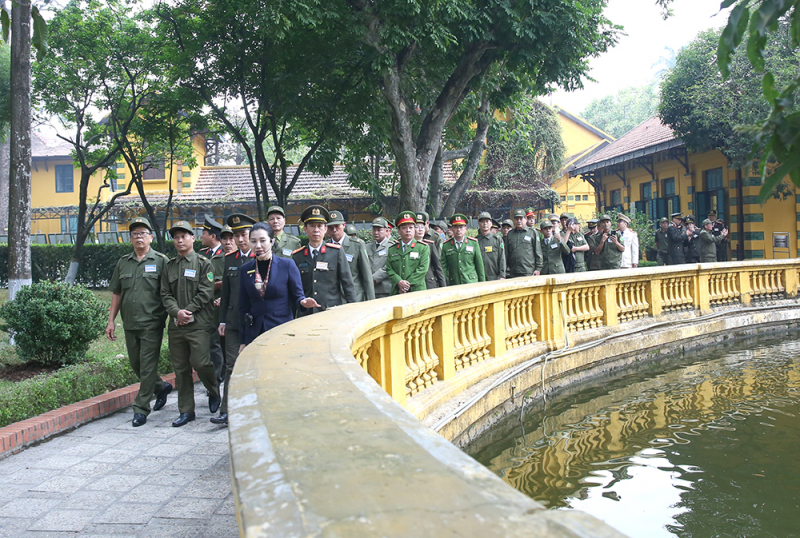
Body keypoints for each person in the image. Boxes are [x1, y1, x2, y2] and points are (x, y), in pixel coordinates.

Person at [208, 223, 319, 426]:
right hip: (254, 331)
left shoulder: (286, 265)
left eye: (262, 240)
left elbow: (297, 295)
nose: (257, 245)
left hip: (280, 329)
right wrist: (243, 340)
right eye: (254, 241)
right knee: (255, 374)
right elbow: (243, 307)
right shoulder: (245, 269)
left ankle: (283, 412)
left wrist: (303, 302)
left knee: (279, 372)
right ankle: (256, 414)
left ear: (272, 241)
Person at [106, 217, 172, 427]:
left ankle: (141, 408)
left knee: (147, 366)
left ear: (151, 237)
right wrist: (111, 321)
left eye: (143, 233)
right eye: (134, 234)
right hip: (130, 323)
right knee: (136, 363)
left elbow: (169, 292)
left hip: (152, 322)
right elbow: (117, 293)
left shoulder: (161, 261)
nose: (139, 237)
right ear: (130, 239)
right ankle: (161, 387)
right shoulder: (123, 262)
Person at [160, 220, 220, 427]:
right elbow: (165, 293)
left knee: (201, 363)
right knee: (181, 369)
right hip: (177, 325)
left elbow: (206, 292)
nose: (179, 240)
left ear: (192, 238)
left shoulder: (204, 264)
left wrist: (189, 311)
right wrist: (177, 312)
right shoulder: (169, 266)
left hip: (199, 324)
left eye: (183, 236)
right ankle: (186, 410)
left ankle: (213, 391)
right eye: (176, 237)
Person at [215, 213, 256, 424]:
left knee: (255, 364)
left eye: (244, 234)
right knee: (231, 365)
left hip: (255, 321)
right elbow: (226, 293)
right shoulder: (230, 259)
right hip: (232, 321)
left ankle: (252, 406)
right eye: (237, 235)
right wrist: (222, 320)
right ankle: (226, 409)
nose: (240, 239)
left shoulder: (261, 256)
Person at [292, 205, 357, 315]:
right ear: (305, 229)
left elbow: (347, 284)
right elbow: (294, 289)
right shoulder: (298, 256)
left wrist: (352, 311)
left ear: (325, 229)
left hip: (331, 312)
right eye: (312, 226)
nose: (316, 230)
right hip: (307, 314)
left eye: (320, 226)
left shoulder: (336, 252)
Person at [326, 210, 375, 302]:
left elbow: (366, 275)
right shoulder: (325, 247)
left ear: (344, 225)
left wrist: (371, 301)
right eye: (331, 227)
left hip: (355, 297)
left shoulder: (357, 245)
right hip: (333, 298)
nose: (334, 230)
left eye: (337, 226)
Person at [386, 211, 430, 294]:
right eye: (404, 228)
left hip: (416, 291)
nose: (408, 230)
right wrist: (399, 281)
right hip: (397, 291)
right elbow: (389, 269)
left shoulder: (422, 247)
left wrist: (406, 286)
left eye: (411, 227)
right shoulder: (392, 249)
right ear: (399, 231)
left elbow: (423, 269)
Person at [441, 213, 485, 285]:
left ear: (465, 228)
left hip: (471, 283)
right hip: (455, 283)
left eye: (461, 227)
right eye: (455, 227)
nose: (458, 230)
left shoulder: (473, 243)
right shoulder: (446, 245)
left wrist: (482, 284)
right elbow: (443, 267)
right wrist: (443, 285)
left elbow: (479, 265)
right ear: (452, 229)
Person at [506, 208, 543, 277]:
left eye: (521, 219)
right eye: (517, 219)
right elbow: (507, 253)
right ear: (514, 220)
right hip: (513, 271)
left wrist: (538, 269)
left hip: (528, 271)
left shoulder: (532, 233)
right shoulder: (510, 234)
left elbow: (538, 252)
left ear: (525, 219)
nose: (519, 221)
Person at [415, 212, 446, 289]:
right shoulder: (406, 245)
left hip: (429, 281)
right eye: (417, 226)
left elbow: (437, 265)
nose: (420, 229)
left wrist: (443, 286)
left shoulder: (431, 242)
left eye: (422, 226)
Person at [366, 217, 393, 299]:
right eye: (374, 230)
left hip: (384, 289)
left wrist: (374, 279)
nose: (376, 232)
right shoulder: (367, 246)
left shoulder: (391, 247)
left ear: (386, 231)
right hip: (369, 289)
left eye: (379, 230)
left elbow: (389, 266)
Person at [477, 211, 506, 280]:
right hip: (479, 278)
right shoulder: (475, 241)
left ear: (491, 223)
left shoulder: (497, 239)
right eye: (482, 221)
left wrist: (502, 275)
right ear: (479, 223)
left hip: (494, 277)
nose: (485, 224)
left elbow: (502, 258)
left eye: (487, 221)